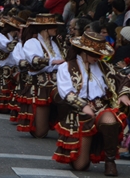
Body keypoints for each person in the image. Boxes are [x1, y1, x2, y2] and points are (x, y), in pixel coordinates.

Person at [53, 31, 130, 176]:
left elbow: (122, 78)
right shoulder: (67, 67)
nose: (98, 58)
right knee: (80, 166)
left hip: (101, 109)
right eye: (95, 54)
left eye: (99, 54)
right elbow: (66, 92)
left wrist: (123, 94)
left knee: (110, 120)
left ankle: (110, 161)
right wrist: (83, 105)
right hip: (79, 114)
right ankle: (88, 148)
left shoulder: (103, 66)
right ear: (84, 52)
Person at [16, 14, 65, 138]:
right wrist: (51, 62)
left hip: (57, 83)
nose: (56, 29)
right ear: (45, 28)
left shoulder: (56, 43)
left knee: (64, 98)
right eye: (53, 26)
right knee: (40, 133)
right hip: (40, 86)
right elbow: (34, 61)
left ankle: (67, 127)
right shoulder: (32, 42)